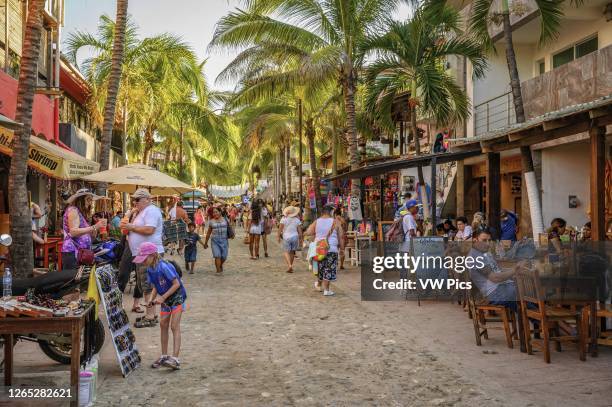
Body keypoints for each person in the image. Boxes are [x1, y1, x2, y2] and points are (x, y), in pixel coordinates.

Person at [133, 242, 186, 370]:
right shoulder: (150, 269)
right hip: (166, 299)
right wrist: (151, 300)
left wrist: (162, 297)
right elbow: (156, 286)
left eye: (145, 258)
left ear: (153, 255)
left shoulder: (163, 266)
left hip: (177, 297)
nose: (143, 262)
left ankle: (175, 359)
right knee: (163, 325)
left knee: (174, 326)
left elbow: (176, 284)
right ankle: (164, 355)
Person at [121, 188, 164, 328]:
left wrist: (132, 227)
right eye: (134, 199)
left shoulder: (151, 211)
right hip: (143, 254)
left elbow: (149, 230)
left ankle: (150, 316)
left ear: (147, 199)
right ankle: (149, 313)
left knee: (147, 285)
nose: (135, 202)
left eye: (137, 200)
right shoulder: (142, 211)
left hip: (149, 254)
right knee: (143, 284)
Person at [467, 228, 525, 313]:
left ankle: (538, 320)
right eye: (484, 240)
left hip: (502, 288)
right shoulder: (474, 257)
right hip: (494, 293)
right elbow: (495, 278)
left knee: (527, 291)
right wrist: (514, 270)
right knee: (523, 294)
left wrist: (513, 272)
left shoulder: (486, 253)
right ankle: (540, 321)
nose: (487, 243)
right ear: (475, 240)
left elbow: (498, 271)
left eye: (489, 240)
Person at [305, 205, 344, 296]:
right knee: (329, 268)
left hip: (320, 248)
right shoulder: (336, 222)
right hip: (332, 248)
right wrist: (342, 248)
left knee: (321, 268)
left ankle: (320, 284)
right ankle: (326, 289)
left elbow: (309, 232)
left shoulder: (316, 222)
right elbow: (341, 236)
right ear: (331, 212)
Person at [61, 189, 105, 270]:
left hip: (81, 252)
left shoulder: (80, 212)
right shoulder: (73, 210)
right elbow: (73, 232)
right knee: (72, 279)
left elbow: (87, 234)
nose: (90, 202)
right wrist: (94, 227)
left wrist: (95, 230)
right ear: (80, 199)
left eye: (91, 200)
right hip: (72, 251)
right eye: (88, 199)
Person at [203, 206, 231, 274]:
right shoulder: (211, 222)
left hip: (224, 240)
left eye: (216, 212)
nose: (215, 214)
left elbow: (230, 228)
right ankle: (218, 271)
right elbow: (208, 233)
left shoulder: (225, 219)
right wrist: (205, 243)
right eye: (213, 212)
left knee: (224, 256)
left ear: (220, 212)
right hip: (215, 241)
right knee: (217, 255)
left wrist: (232, 234)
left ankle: (220, 265)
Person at [278, 206, 302, 273]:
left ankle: (289, 265)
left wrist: (278, 236)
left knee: (286, 252)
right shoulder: (297, 220)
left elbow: (280, 229)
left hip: (286, 237)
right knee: (292, 252)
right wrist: (301, 239)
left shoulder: (283, 219)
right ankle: (290, 265)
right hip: (295, 237)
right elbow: (300, 231)